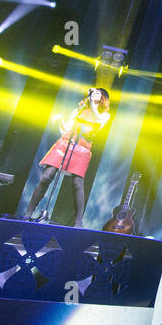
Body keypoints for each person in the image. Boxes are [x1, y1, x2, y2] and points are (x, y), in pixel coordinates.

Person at [22, 87, 111, 227]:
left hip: (81, 149)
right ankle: (28, 213)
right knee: (46, 177)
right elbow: (66, 130)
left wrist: (92, 103)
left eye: (98, 93)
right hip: (65, 144)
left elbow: (97, 123)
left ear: (103, 99)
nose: (94, 94)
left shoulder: (104, 115)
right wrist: (60, 120)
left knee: (77, 183)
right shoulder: (79, 111)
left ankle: (78, 222)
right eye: (93, 92)